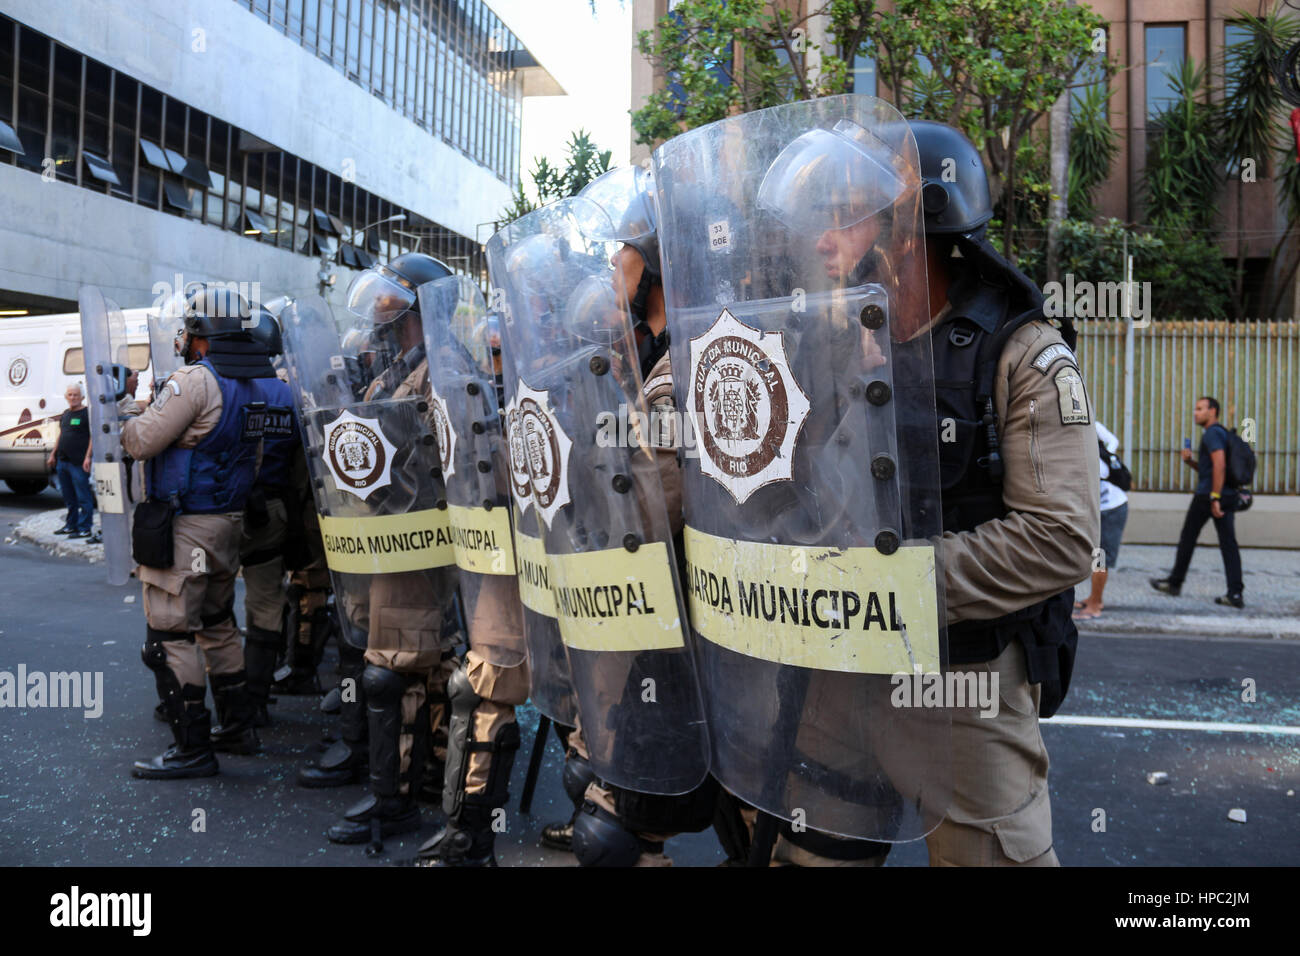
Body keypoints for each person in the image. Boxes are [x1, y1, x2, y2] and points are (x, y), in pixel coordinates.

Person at [666, 113, 1098, 866]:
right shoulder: (819, 340)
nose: (821, 236)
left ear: (913, 224)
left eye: (846, 215)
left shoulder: (1021, 354)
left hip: (956, 685)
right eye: (816, 217)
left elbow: (1058, 539)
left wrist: (890, 585)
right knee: (805, 853)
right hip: (833, 670)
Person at [122, 285, 281, 779]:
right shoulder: (263, 384)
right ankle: (238, 727)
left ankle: (191, 748)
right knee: (216, 624)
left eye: (189, 330)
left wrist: (128, 410)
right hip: (228, 523)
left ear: (202, 335)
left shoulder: (193, 381)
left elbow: (142, 441)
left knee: (170, 635)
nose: (184, 338)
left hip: (188, 524)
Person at [236, 308, 299, 726]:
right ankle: (256, 700)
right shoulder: (287, 396)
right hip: (272, 511)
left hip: (223, 509)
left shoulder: (222, 386)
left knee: (210, 605)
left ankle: (224, 699)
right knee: (265, 604)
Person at [1150, 396, 1244, 608]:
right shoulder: (1221, 433)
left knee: (1188, 538)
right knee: (1228, 544)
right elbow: (1210, 470)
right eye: (1195, 409)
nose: (1195, 412)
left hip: (1208, 496)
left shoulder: (1212, 434)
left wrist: (1214, 497)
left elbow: (1219, 466)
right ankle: (1235, 594)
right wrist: (1191, 461)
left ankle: (1175, 583)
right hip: (1224, 494)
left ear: (1213, 411)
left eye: (1200, 409)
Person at [1074, 422, 1129, 621]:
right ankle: (1092, 598)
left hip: (1112, 509)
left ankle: (1096, 604)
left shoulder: (1095, 461)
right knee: (1095, 554)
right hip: (1100, 510)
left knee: (1100, 557)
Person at [48, 384, 94, 539]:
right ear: (66, 397)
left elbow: (92, 437)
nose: (73, 397)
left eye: (76, 395)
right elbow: (61, 435)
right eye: (70, 394)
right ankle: (71, 525)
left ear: (81, 397)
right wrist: (53, 454)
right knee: (68, 496)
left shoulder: (87, 414)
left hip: (78, 462)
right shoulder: (66, 414)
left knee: (83, 496)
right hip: (63, 461)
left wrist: (88, 457)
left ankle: (85, 528)